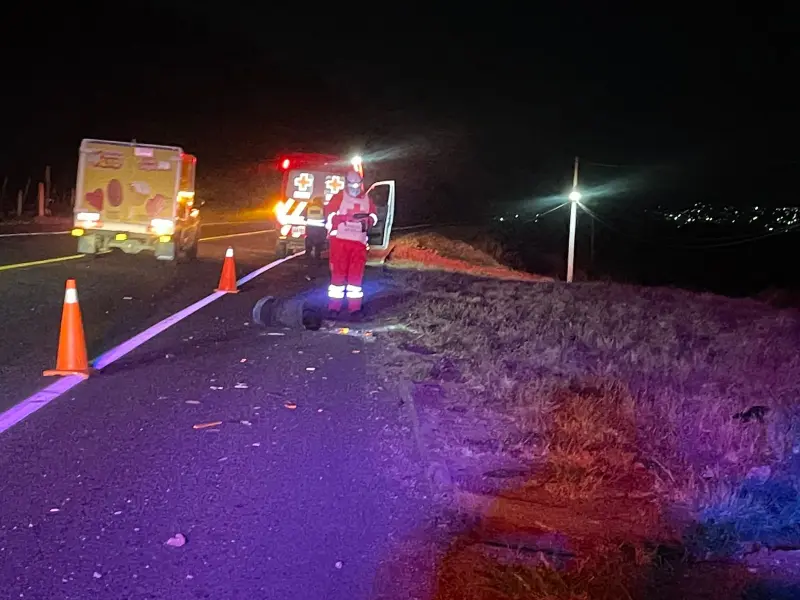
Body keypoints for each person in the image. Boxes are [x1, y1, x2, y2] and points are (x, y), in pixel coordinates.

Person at [325, 169, 378, 316]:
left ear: (361, 183)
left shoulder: (368, 200)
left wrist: (368, 221)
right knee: (338, 276)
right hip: (340, 242)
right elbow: (329, 216)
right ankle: (334, 307)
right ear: (346, 183)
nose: (355, 187)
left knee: (356, 277)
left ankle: (354, 308)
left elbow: (374, 215)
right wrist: (341, 219)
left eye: (357, 183)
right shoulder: (338, 198)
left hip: (358, 243)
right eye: (352, 184)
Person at [304, 196, 327, 260]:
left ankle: (308, 253)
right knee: (319, 243)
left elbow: (305, 217)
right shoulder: (323, 207)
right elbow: (326, 216)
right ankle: (317, 256)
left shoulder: (309, 207)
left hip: (310, 228)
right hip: (320, 228)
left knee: (309, 240)